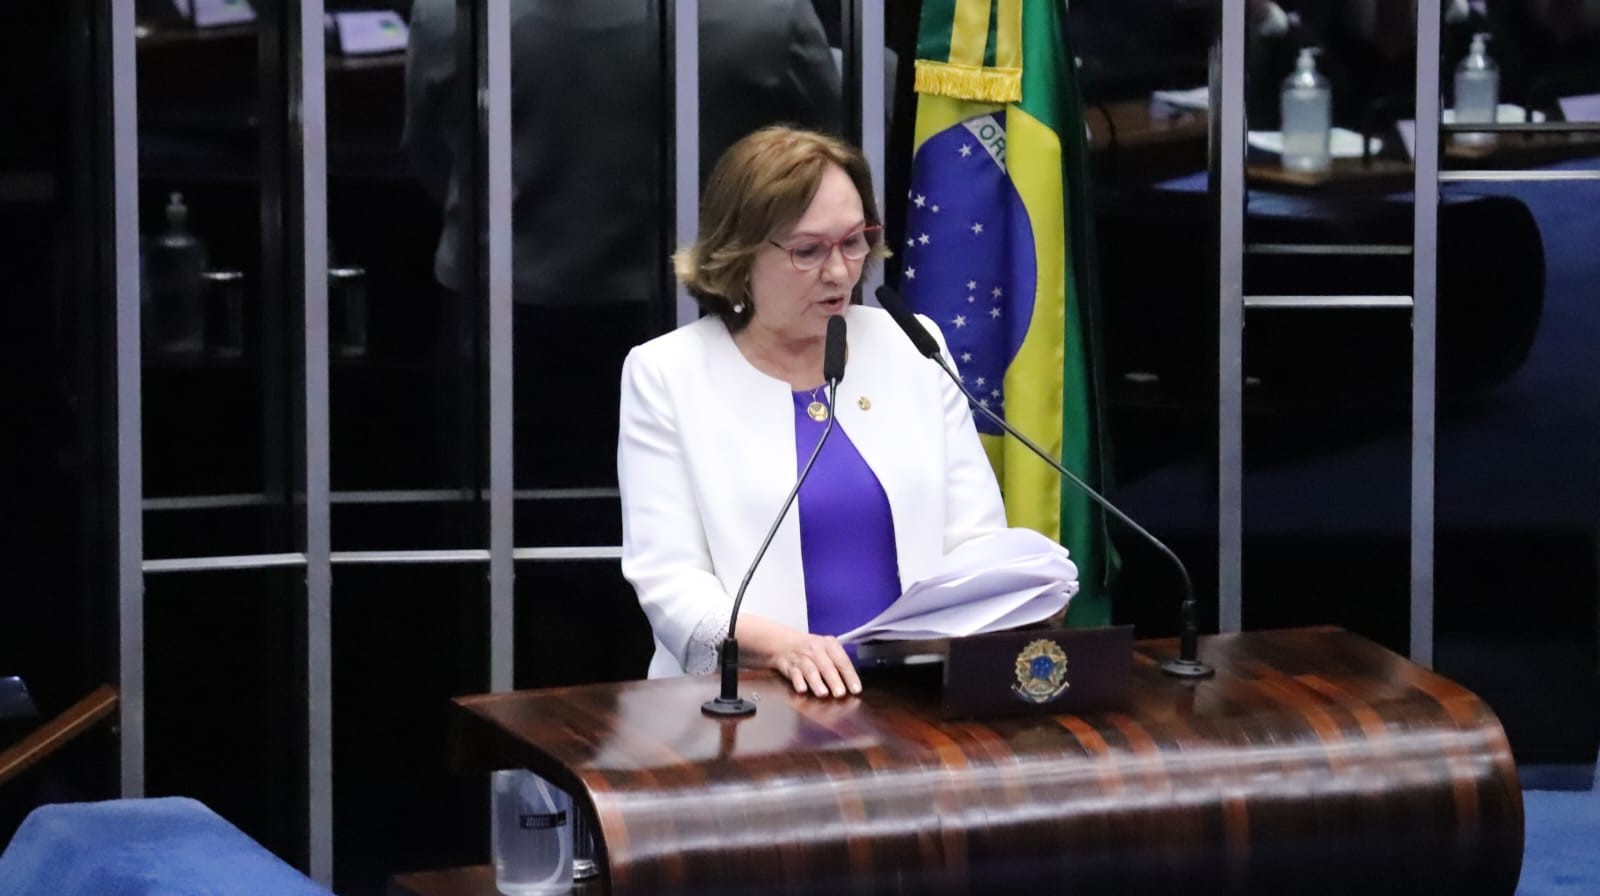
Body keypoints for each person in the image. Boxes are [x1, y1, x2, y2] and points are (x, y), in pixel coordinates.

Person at [617, 126, 1008, 698]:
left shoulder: (913, 344)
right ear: (740, 254)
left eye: (854, 242)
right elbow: (669, 581)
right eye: (808, 250)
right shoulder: (667, 374)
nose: (840, 272)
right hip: (745, 708)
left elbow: (975, 535)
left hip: (917, 700)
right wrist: (785, 647)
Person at [403, 0, 843, 488]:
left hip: (506, 329)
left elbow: (434, 159)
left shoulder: (453, 14)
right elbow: (824, 174)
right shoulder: (767, 15)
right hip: (715, 321)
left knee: (505, 535)